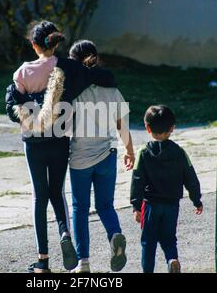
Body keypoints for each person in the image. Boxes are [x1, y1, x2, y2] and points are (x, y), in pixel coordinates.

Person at [5, 21, 117, 273]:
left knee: (39, 196)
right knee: (58, 192)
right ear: (56, 44)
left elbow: (13, 107)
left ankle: (43, 260)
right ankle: (65, 233)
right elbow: (105, 77)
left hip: (33, 142)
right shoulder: (68, 67)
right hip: (59, 138)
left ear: (34, 45)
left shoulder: (22, 72)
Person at [68, 40, 134, 273]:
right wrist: (130, 150)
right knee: (106, 205)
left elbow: (63, 123)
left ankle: (83, 262)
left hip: (80, 159)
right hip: (107, 155)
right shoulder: (111, 88)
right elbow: (122, 123)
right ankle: (115, 234)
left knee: (80, 209)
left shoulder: (74, 90)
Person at [130, 105, 203, 273]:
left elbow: (137, 181)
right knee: (169, 238)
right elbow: (191, 178)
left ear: (147, 128)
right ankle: (172, 259)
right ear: (172, 128)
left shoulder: (143, 152)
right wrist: (196, 200)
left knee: (148, 242)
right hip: (171, 205)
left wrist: (136, 205)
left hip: (150, 205)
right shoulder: (179, 152)